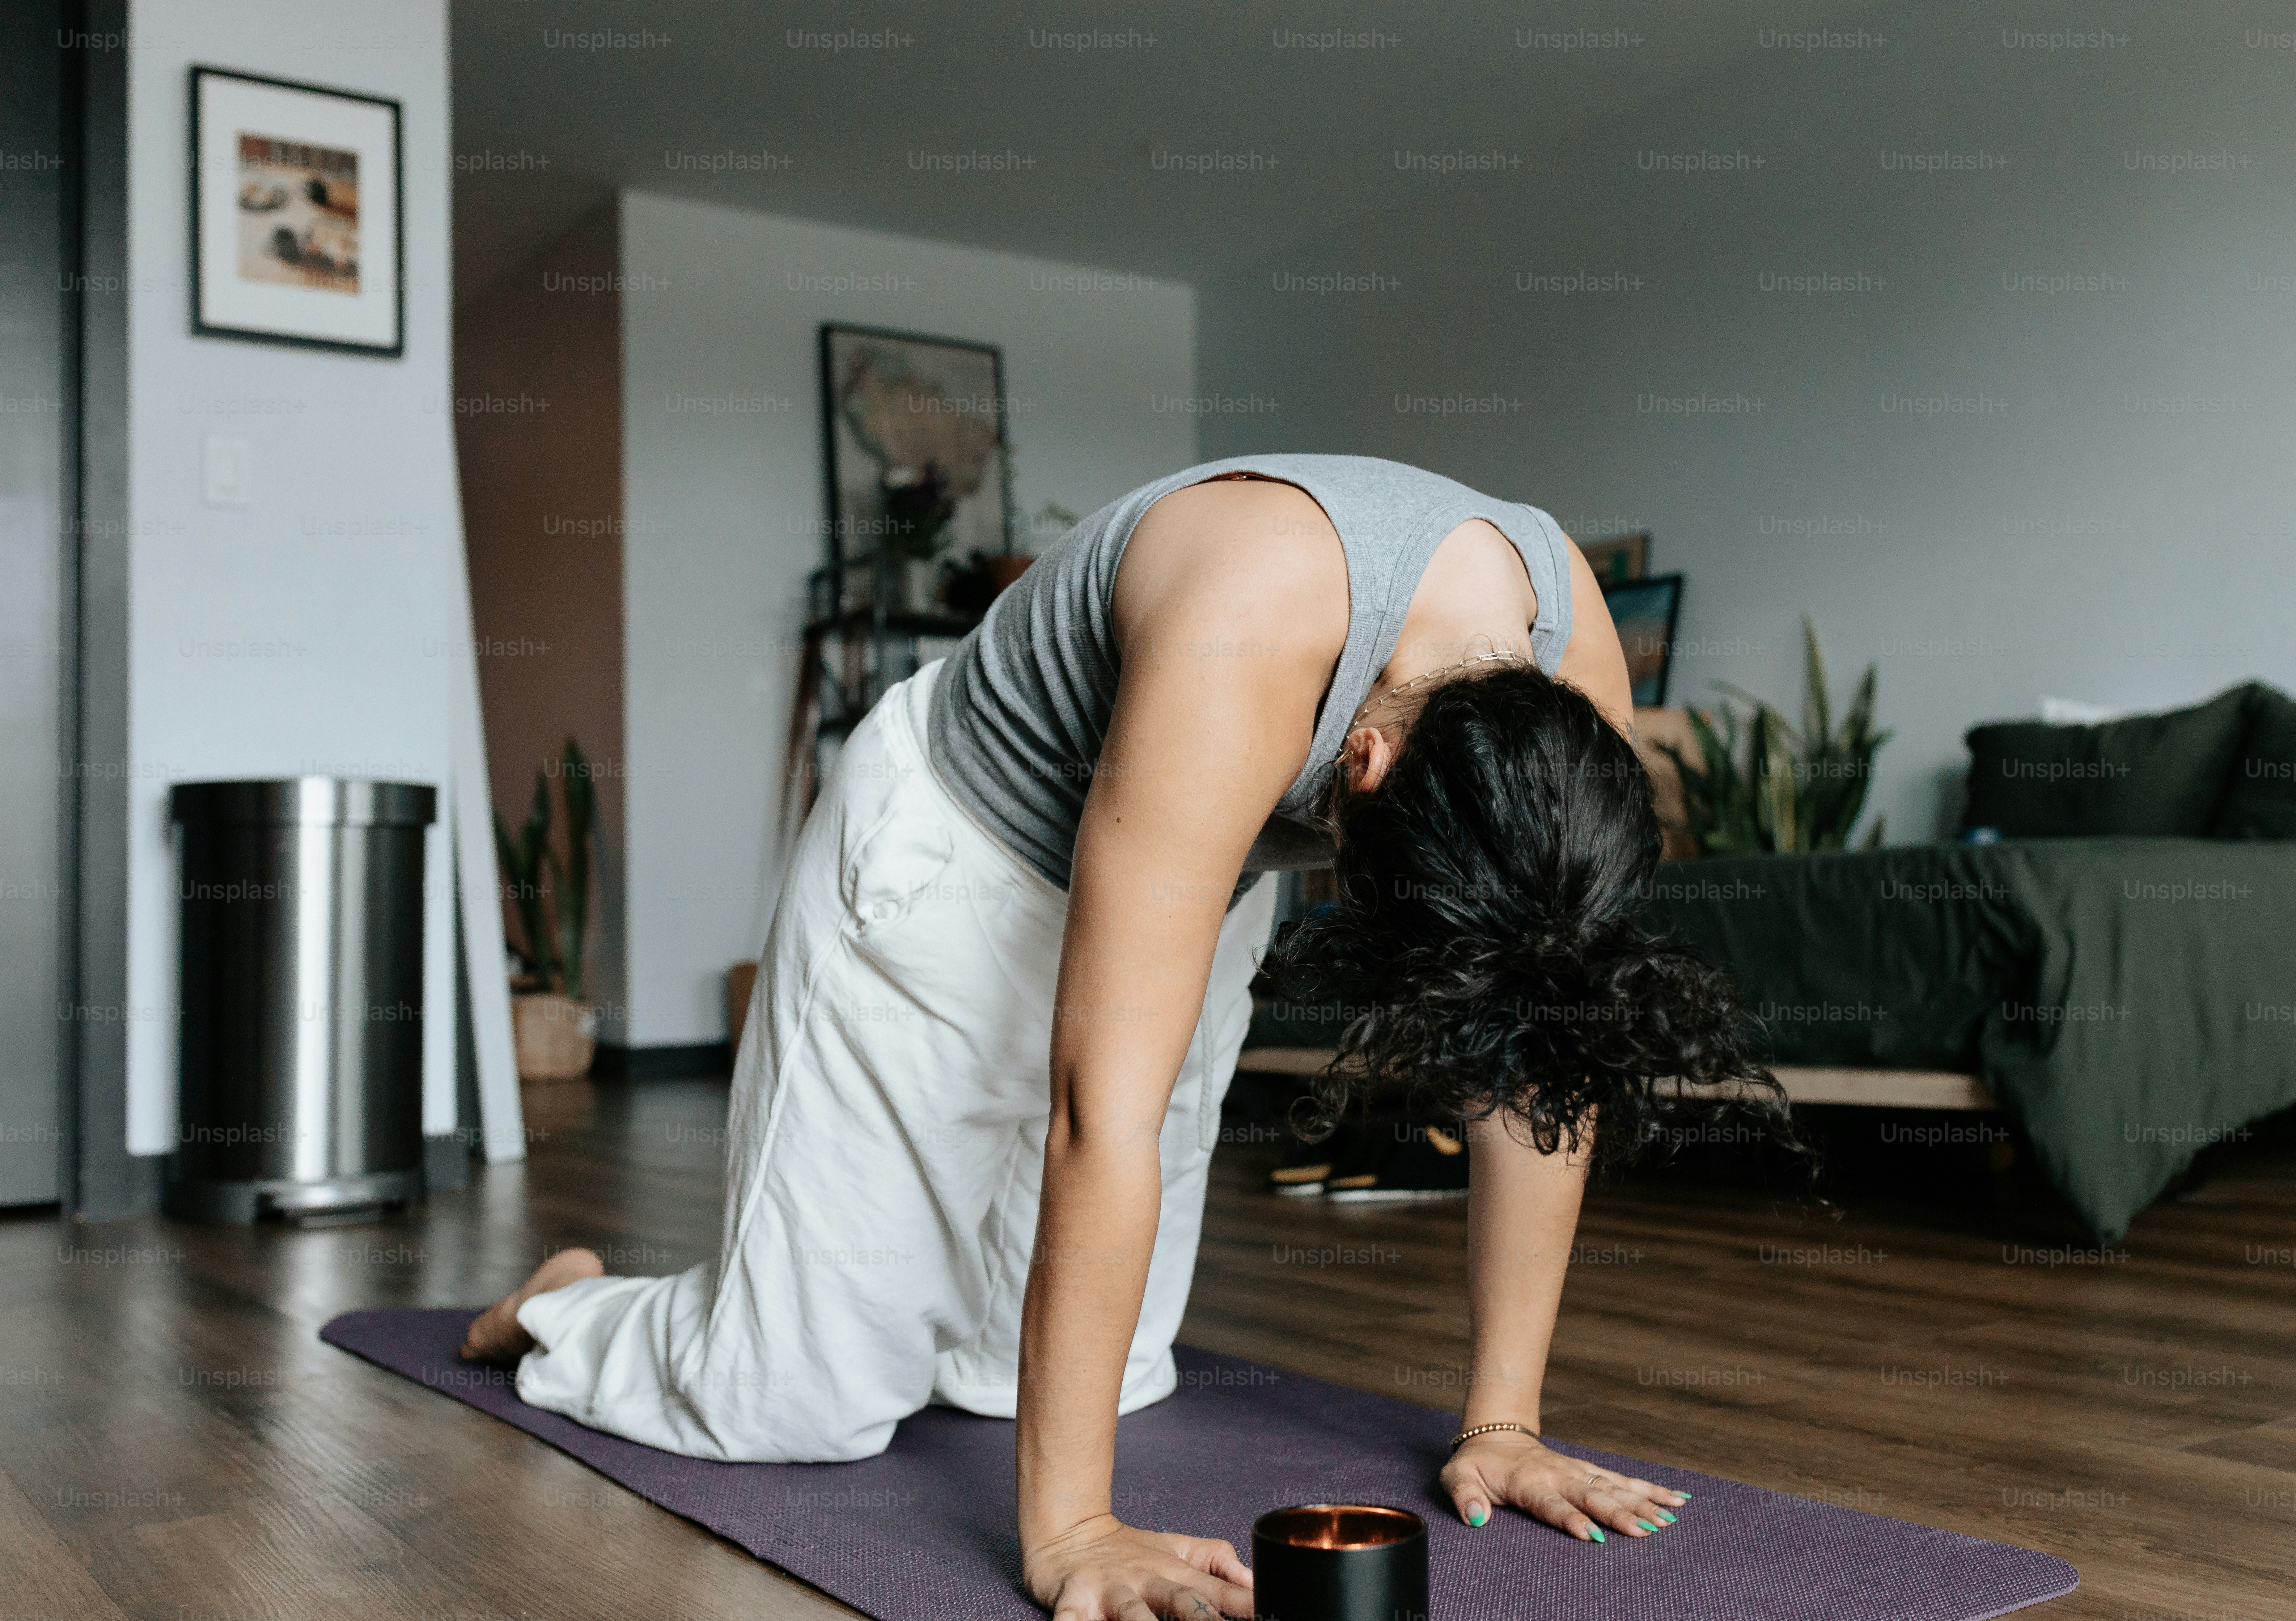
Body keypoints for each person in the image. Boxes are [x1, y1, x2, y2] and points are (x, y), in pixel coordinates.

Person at [461, 456, 1793, 1621]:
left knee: (1038, 1383)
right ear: (1365, 772)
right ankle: (573, 1309)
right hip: (959, 863)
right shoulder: (1251, 623)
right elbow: (1100, 1119)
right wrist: (1072, 1533)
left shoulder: (1566, 664)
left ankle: (889, 1299)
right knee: (798, 1402)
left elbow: (1538, 1050)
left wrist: (1503, 1424)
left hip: (1182, 872)